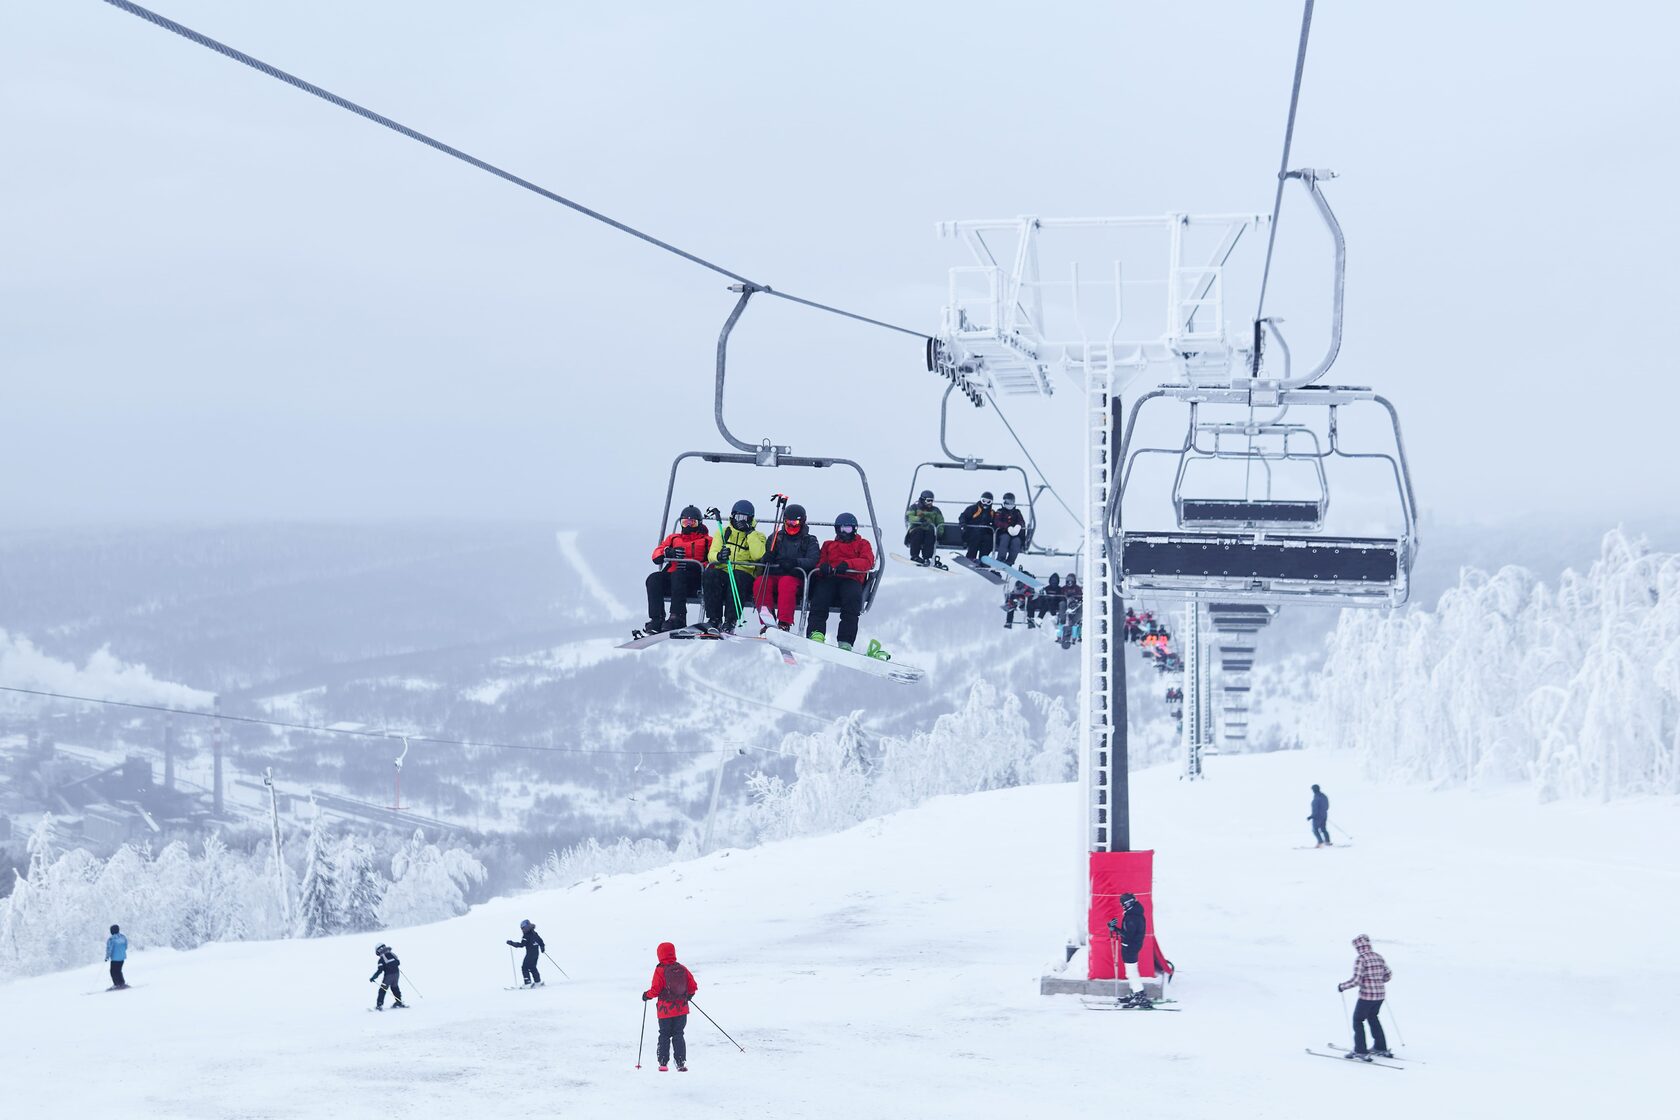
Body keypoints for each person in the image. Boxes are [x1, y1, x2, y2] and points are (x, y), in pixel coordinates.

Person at [806, 512, 874, 650]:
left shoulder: (862, 544)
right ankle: (816, 634)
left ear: (854, 529)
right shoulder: (828, 545)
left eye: (847, 529)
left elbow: (867, 561)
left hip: (851, 579)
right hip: (830, 578)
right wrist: (823, 567)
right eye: (841, 529)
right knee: (819, 597)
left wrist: (848, 565)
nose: (844, 532)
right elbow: (820, 562)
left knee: (852, 600)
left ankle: (845, 641)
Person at [644, 505, 712, 633]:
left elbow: (713, 561)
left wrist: (697, 564)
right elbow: (656, 554)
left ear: (699, 523)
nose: (688, 526)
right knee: (653, 578)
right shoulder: (673, 538)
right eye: (685, 522)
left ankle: (678, 617)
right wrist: (668, 552)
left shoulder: (707, 541)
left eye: (692, 523)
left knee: (678, 575)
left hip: (694, 578)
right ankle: (656, 618)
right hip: (674, 575)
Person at [702, 500, 766, 632]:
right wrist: (719, 556)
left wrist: (750, 533)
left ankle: (730, 620)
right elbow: (711, 554)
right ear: (732, 516)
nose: (740, 521)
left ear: (750, 519)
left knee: (738, 577)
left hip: (745, 573)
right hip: (724, 570)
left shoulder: (759, 536)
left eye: (744, 518)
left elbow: (758, 556)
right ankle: (714, 619)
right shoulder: (724, 532)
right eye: (738, 517)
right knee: (710, 574)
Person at [753, 503, 819, 631]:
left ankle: (784, 622)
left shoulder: (809, 540)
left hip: (796, 578)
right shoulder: (776, 538)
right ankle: (768, 621)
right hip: (775, 574)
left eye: (795, 523)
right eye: (788, 522)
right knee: (760, 582)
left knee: (786, 582)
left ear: (802, 522)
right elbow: (766, 554)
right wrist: (767, 557)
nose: (791, 526)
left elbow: (812, 560)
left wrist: (795, 562)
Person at [642, 941, 699, 1073]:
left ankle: (663, 1063)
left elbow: (655, 990)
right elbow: (693, 986)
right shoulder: (682, 968)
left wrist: (646, 995)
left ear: (659, 955)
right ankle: (680, 1062)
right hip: (681, 1010)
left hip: (665, 1011)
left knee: (664, 1034)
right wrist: (689, 995)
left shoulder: (660, 970)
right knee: (679, 1034)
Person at [1337, 934, 1393, 1059]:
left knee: (1358, 1020)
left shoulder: (1361, 959)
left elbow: (1356, 980)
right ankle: (1380, 1047)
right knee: (1373, 1018)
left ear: (1358, 947)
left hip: (1366, 996)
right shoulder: (1378, 957)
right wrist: (1378, 980)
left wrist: (1342, 986)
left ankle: (1360, 1050)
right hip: (1380, 995)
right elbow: (1388, 975)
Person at [904, 490, 944, 566]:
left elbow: (940, 522)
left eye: (932, 501)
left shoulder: (935, 510)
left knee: (930, 534)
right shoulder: (914, 508)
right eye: (928, 501)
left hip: (929, 530)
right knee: (918, 532)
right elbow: (909, 517)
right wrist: (919, 519)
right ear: (923, 499)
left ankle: (927, 557)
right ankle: (915, 556)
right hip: (916, 529)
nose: (930, 503)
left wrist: (940, 532)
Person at [992, 492, 1028, 567]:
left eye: (1011, 502)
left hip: (1015, 534)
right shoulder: (1000, 511)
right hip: (1002, 533)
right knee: (1005, 538)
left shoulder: (1017, 512)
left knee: (1016, 542)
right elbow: (997, 521)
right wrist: (1007, 527)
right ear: (1004, 502)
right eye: (1007, 502)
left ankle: (1010, 561)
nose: (1009, 504)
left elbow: (1021, 521)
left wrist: (1018, 526)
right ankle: (1000, 559)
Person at [506, 919, 545, 987]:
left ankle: (527, 983)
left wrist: (512, 943)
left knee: (524, 967)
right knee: (533, 967)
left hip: (530, 954)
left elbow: (521, 945)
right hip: (536, 954)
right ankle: (537, 981)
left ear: (527, 927)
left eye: (523, 928)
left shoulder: (526, 936)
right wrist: (542, 947)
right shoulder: (534, 933)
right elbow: (540, 941)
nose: (522, 930)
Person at [957, 492, 996, 560]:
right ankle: (971, 557)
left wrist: (993, 528)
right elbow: (963, 516)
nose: (985, 503)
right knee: (976, 537)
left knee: (988, 539)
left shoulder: (991, 512)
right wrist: (963, 525)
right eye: (984, 501)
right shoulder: (973, 509)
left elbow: (995, 523)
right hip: (971, 533)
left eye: (988, 502)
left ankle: (983, 559)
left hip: (984, 534)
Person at [369, 942, 405, 1009]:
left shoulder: (381, 959)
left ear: (378, 951)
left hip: (388, 977)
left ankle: (379, 1005)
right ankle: (399, 1002)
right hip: (397, 974)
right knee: (395, 987)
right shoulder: (392, 954)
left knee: (382, 990)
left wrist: (373, 977)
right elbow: (398, 962)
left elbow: (380, 970)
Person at [104, 923, 128, 989]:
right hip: (122, 957)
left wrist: (107, 957)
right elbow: (126, 946)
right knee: (119, 970)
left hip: (115, 958)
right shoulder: (123, 937)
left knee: (113, 971)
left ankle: (116, 984)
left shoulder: (111, 939)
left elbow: (109, 949)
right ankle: (122, 983)